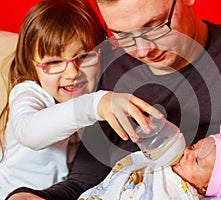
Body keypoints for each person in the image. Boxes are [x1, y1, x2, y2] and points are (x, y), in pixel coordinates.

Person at [7, 0, 221, 199]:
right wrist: (32, 196)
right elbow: (83, 184)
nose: (143, 50)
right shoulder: (111, 64)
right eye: (122, 34)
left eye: (155, 25)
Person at [0, 0, 163, 199]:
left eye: (84, 57)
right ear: (32, 64)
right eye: (54, 62)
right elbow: (29, 134)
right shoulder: (29, 93)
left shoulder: (99, 86)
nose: (72, 73)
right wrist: (95, 105)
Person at [78, 125, 221, 200]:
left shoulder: (178, 193)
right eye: (193, 146)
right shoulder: (169, 166)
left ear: (205, 187)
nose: (186, 152)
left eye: (196, 160)